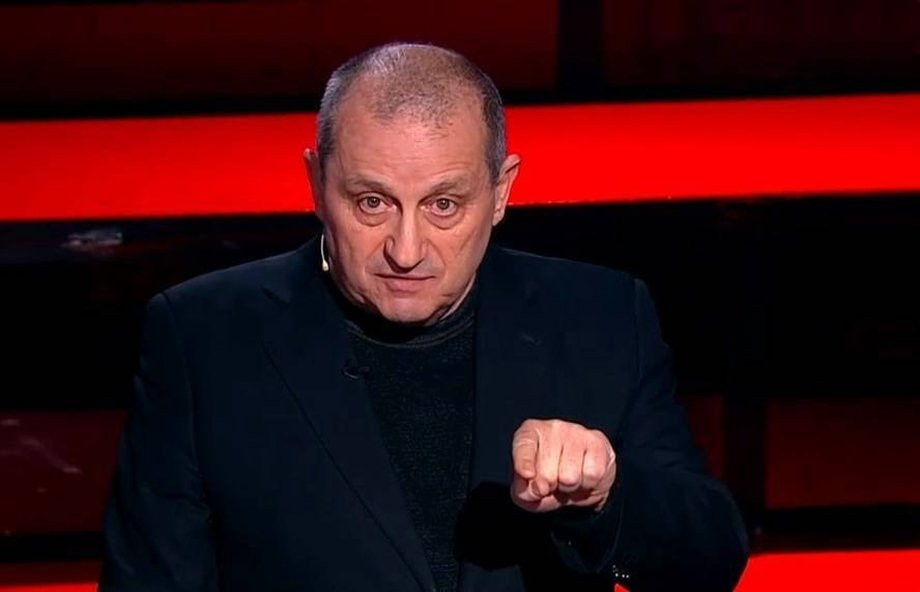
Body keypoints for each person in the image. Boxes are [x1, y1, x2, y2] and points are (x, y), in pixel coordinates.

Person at [101, 43, 748, 591]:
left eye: (444, 205)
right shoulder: (203, 337)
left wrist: (606, 498)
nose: (406, 251)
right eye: (372, 202)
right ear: (316, 183)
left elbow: (711, 557)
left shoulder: (599, 316)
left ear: (502, 192)